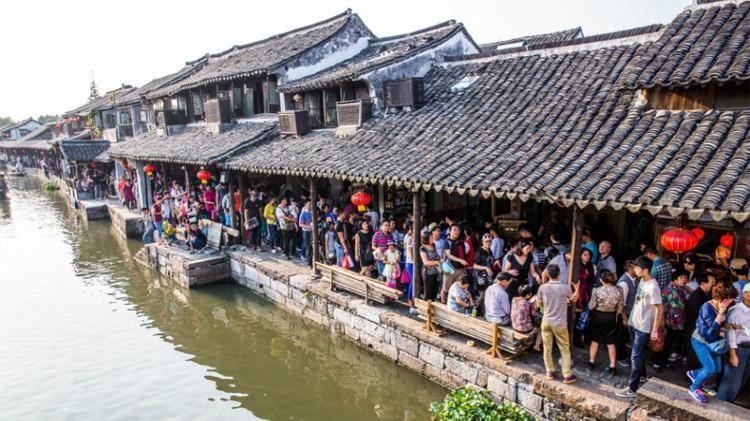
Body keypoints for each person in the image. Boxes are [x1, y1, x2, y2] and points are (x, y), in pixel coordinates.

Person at [616, 256, 664, 399]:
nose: (635, 270)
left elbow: (659, 309)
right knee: (638, 353)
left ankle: (632, 388)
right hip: (634, 322)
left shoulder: (653, 286)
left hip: (643, 326)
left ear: (645, 270)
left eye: (637, 268)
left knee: (635, 356)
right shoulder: (642, 280)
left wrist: (654, 329)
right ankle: (642, 376)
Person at [687, 283, 735, 403]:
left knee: (718, 368)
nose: (731, 302)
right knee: (710, 368)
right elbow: (708, 334)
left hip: (714, 343)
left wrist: (732, 328)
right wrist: (720, 315)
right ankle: (694, 388)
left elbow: (721, 327)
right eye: (729, 299)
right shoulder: (707, 308)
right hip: (700, 341)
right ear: (720, 298)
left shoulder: (725, 306)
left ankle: (694, 374)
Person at [537, 264, 580, 384]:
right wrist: (577, 289)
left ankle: (549, 371)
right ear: (559, 274)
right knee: (564, 349)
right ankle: (567, 375)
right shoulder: (565, 287)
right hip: (560, 323)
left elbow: (538, 304)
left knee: (547, 348)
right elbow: (573, 300)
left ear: (548, 274)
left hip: (546, 321)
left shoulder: (542, 288)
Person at [588, 270, 627, 375]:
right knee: (611, 342)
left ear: (601, 280)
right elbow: (620, 306)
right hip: (611, 317)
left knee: (595, 340)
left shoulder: (596, 290)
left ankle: (591, 362)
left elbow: (591, 306)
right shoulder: (619, 290)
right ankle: (613, 366)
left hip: (598, 316)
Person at [717, 283, 750, 403]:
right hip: (738, 349)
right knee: (731, 380)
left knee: (742, 379)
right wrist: (733, 354)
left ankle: (729, 404)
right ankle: (720, 406)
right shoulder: (735, 311)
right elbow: (730, 334)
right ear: (745, 294)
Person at [652, 271, 690, 371]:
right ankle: (657, 362)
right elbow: (662, 307)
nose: (684, 280)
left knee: (669, 342)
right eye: (681, 277)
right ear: (675, 279)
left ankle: (664, 361)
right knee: (663, 342)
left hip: (677, 322)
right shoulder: (669, 289)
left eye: (685, 277)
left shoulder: (680, 288)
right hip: (669, 321)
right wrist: (662, 320)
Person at [685, 275, 717, 370]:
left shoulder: (704, 294)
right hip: (694, 328)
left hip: (697, 328)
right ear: (703, 283)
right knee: (694, 353)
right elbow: (697, 314)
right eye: (712, 283)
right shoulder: (697, 296)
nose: (714, 285)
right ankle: (690, 373)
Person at [573, 248, 596, 348]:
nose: (587, 256)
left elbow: (591, 280)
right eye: (585, 254)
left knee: (585, 316)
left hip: (587, 292)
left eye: (589, 255)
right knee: (577, 316)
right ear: (580, 255)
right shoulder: (577, 266)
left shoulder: (590, 266)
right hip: (579, 292)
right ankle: (576, 339)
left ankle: (583, 338)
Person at [443, 224, 469, 303]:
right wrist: (460, 260)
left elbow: (464, 256)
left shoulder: (462, 243)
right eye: (454, 230)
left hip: (460, 269)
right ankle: (443, 301)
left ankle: (453, 302)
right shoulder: (446, 242)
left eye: (458, 230)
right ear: (450, 231)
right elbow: (449, 255)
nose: (456, 232)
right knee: (446, 287)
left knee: (458, 287)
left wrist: (464, 268)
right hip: (450, 268)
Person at [511, 284, 542, 352]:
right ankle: (537, 346)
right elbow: (536, 315)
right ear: (529, 294)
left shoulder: (514, 299)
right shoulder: (528, 304)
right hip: (524, 329)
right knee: (541, 328)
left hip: (514, 326)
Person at [419, 232, 441, 301]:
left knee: (434, 292)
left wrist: (440, 258)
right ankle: (425, 310)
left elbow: (436, 256)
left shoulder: (433, 245)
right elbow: (426, 262)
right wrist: (436, 262)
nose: (433, 239)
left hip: (436, 272)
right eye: (431, 238)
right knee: (428, 294)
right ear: (426, 239)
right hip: (428, 273)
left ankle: (431, 310)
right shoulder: (422, 248)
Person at [298, 200, 313, 266]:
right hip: (306, 231)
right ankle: (307, 259)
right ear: (306, 205)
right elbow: (300, 224)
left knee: (310, 245)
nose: (310, 206)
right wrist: (309, 226)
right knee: (307, 245)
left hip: (311, 231)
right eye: (309, 204)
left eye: (311, 204)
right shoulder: (303, 213)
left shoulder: (311, 213)